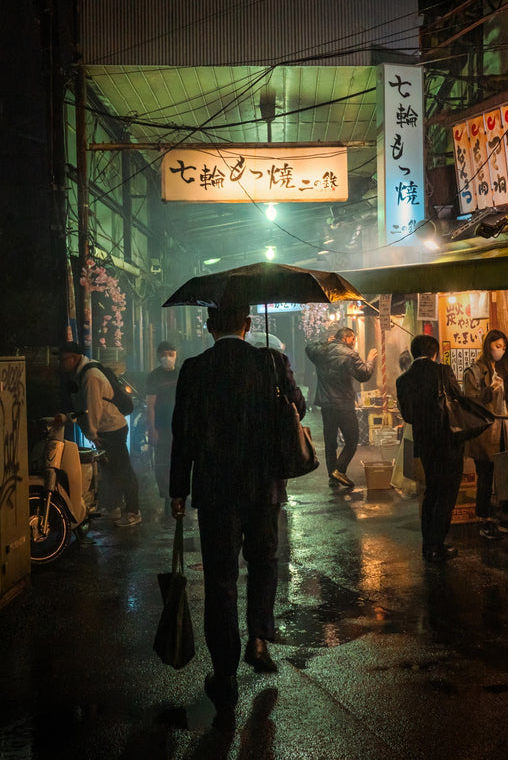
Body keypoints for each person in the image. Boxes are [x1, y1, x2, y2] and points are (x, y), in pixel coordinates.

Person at [169, 305, 305, 729]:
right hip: (263, 488)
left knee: (221, 578)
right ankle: (259, 641)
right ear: (248, 325)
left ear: (210, 327)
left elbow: (182, 432)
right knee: (264, 563)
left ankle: (224, 674)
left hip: (215, 492)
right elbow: (299, 406)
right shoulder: (270, 361)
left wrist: (178, 489)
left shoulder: (195, 368)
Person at [396, 335, 465, 562]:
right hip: (449, 440)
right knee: (448, 492)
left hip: (425, 443)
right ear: (434, 352)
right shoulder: (443, 372)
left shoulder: (403, 380)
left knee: (432, 490)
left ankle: (428, 545)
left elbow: (408, 416)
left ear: (414, 352)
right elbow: (459, 400)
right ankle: (438, 544)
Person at [58, 341, 141, 526]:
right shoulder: (82, 373)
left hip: (111, 428)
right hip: (106, 428)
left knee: (122, 470)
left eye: (64, 359)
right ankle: (113, 508)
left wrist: (92, 433)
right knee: (110, 470)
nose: (62, 364)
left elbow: (92, 407)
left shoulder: (90, 375)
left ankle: (133, 511)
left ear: (75, 358)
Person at [462, 329, 508, 540]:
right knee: (485, 476)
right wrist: (488, 392)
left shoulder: (505, 371)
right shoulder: (475, 372)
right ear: (488, 346)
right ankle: (483, 519)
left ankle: (505, 517)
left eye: (504, 347)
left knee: (506, 472)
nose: (501, 351)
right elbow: (470, 403)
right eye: (497, 346)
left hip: (504, 428)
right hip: (485, 432)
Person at [305, 327, 377, 489]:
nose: (354, 343)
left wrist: (325, 342)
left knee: (330, 442)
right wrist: (370, 360)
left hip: (327, 405)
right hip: (344, 405)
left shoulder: (321, 351)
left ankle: (333, 476)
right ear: (345, 338)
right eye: (353, 339)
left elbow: (308, 347)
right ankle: (340, 469)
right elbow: (364, 375)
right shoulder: (350, 354)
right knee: (352, 440)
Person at [146, 340, 179, 519]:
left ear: (176, 354)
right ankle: (167, 496)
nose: (167, 358)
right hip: (162, 427)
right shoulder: (154, 377)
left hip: (180, 427)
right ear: (159, 356)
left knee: (180, 461)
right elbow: (150, 405)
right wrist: (152, 429)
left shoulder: (182, 373)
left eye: (170, 354)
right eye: (164, 354)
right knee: (163, 463)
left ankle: (182, 493)